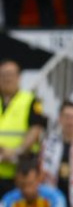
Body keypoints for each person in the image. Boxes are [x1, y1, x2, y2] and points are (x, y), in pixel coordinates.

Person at [0, 60, 47, 197]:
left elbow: (36, 129)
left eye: (11, 74)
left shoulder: (31, 100)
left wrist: (16, 152)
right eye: (3, 75)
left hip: (21, 171)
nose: (7, 78)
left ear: (19, 77)